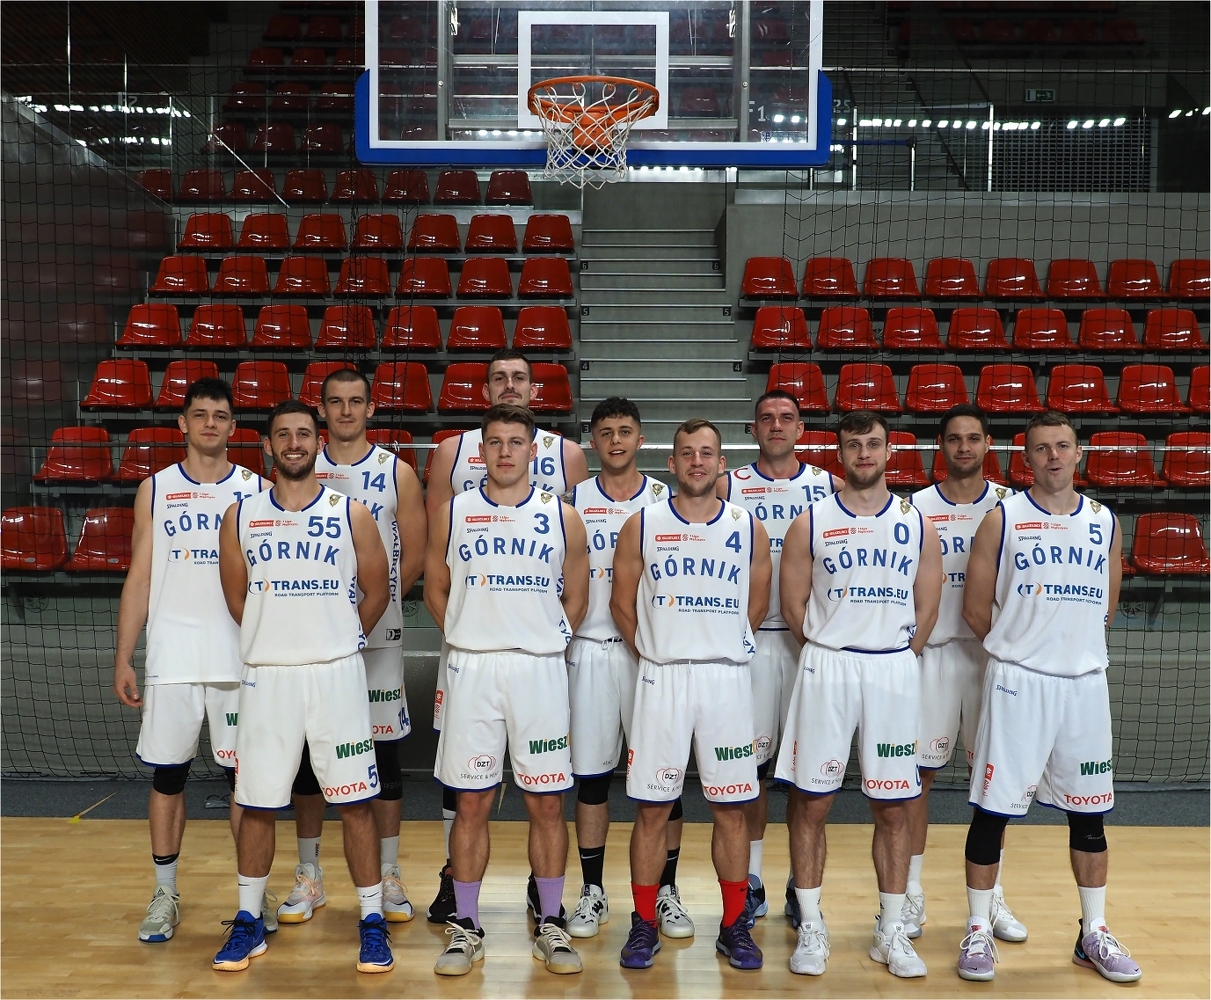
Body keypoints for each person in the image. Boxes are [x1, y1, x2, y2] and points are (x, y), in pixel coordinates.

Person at [956, 411, 1139, 984]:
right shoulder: (1003, 517)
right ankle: (978, 929)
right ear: (1025, 458)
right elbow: (974, 609)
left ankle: (1094, 931)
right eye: (1042, 448)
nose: (1053, 456)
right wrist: (1022, 650)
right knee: (993, 812)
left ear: (1078, 453)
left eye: (1063, 446)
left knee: (1090, 815)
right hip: (1019, 683)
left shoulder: (1104, 521)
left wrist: (1070, 649)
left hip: (1083, 686)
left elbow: (1107, 604)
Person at [214, 400, 393, 974]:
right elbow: (237, 598)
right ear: (267, 445)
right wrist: (275, 636)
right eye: (283, 435)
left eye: (303, 434)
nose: (294, 443)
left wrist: (341, 637)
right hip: (268, 676)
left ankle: (371, 921)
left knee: (356, 803)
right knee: (257, 802)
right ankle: (248, 920)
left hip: (335, 675)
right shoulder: (239, 516)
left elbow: (378, 590)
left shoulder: (351, 513)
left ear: (318, 443)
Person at [423, 404, 590, 977]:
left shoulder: (563, 516)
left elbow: (576, 596)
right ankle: (466, 926)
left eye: (515, 442)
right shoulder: (453, 512)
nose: (505, 452)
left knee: (547, 802)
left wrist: (545, 640)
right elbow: (436, 588)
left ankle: (551, 922)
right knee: (471, 802)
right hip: (474, 668)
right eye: (494, 442)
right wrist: (468, 635)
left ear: (533, 451)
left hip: (538, 670)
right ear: (482, 450)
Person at [776, 410, 943, 979]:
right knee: (811, 802)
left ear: (890, 451)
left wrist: (896, 654)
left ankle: (891, 930)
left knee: (894, 806)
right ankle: (811, 924)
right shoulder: (811, 522)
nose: (864, 453)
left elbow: (927, 608)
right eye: (853, 444)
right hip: (829, 666)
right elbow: (793, 606)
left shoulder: (917, 523)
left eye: (873, 444)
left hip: (892, 669)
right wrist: (832, 648)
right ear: (840, 453)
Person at [611, 418, 773, 971]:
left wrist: (720, 643)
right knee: (652, 809)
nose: (697, 462)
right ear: (672, 463)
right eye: (687, 453)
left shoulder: (747, 526)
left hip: (726, 680)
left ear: (721, 463)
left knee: (732, 809)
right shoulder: (642, 524)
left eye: (707, 453)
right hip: (664, 678)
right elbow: (621, 605)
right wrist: (657, 651)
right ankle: (643, 923)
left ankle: (733, 925)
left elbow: (756, 604)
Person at [114, 378, 268, 944]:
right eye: (199, 414)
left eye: (220, 415)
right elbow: (139, 578)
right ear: (182, 423)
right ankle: (165, 893)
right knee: (168, 776)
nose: (209, 424)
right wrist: (124, 657)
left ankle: (252, 897)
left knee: (245, 782)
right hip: (173, 656)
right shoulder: (155, 489)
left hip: (239, 659)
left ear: (233, 427)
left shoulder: (256, 490)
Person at [278, 369, 427, 925]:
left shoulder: (396, 471)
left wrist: (366, 617)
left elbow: (413, 556)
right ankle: (309, 875)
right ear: (321, 410)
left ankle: (387, 875)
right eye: (336, 402)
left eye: (356, 401)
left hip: (376, 638)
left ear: (370, 408)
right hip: (310, 642)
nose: (346, 411)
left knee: (383, 756)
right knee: (308, 760)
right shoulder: (298, 467)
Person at [718, 389, 840, 927]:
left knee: (807, 774)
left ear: (800, 428)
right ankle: (752, 880)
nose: (776, 425)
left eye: (786, 417)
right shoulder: (729, 484)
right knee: (750, 771)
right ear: (752, 429)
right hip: (748, 642)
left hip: (806, 644)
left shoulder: (827, 486)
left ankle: (800, 884)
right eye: (765, 417)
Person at [904, 405, 1024, 943]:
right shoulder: (915, 508)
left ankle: (991, 896)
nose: (964, 447)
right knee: (917, 777)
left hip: (991, 657)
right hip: (932, 655)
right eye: (954, 439)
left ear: (988, 444)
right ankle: (909, 892)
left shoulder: (1010, 506)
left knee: (995, 780)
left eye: (974, 438)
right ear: (941, 446)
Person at [563, 398, 681, 941]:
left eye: (625, 431)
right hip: (589, 648)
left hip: (648, 655)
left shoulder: (664, 501)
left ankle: (666, 891)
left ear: (640, 439)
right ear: (592, 441)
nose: (616, 440)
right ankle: (592, 890)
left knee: (663, 780)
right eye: (606, 432)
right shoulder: (572, 502)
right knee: (591, 779)